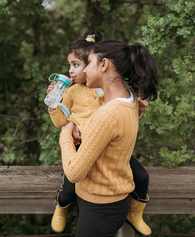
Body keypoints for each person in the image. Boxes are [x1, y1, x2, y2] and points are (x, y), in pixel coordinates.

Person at [49, 34, 158, 237]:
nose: (85, 69)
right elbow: (118, 132)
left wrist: (65, 134)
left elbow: (73, 174)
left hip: (100, 206)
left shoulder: (107, 114)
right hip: (112, 197)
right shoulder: (129, 96)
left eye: (89, 62)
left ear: (104, 64)